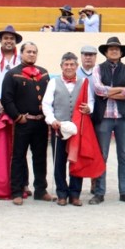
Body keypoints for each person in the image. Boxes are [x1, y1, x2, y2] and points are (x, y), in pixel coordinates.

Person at [90, 37, 125, 204]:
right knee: (101, 155)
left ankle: (124, 192)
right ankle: (99, 192)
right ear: (106, 52)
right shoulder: (98, 68)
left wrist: (108, 92)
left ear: (121, 52)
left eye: (117, 49)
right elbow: (98, 89)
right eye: (111, 48)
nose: (114, 51)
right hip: (104, 117)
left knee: (124, 155)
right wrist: (119, 90)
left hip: (123, 117)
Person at [2, 42, 52, 204]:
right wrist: (17, 117)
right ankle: (17, 191)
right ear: (21, 53)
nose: (31, 54)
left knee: (40, 157)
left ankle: (41, 190)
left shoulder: (44, 73)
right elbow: (7, 99)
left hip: (41, 123)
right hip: (23, 122)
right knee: (18, 157)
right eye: (28, 52)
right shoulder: (12, 74)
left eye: (34, 52)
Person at [43, 51, 92, 206]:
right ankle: (62, 194)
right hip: (59, 128)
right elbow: (46, 104)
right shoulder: (53, 82)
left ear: (77, 66)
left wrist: (89, 108)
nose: (69, 67)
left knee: (76, 162)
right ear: (61, 66)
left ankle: (75, 194)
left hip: (77, 129)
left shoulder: (84, 82)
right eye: (66, 64)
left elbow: (91, 101)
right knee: (59, 162)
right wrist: (52, 120)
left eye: (72, 64)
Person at [0, 25, 23, 112]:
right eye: (5, 38)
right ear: (0, 40)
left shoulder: (22, 58)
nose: (9, 41)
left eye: (12, 38)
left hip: (18, 104)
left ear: (15, 41)